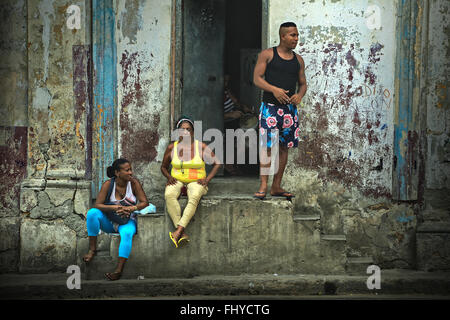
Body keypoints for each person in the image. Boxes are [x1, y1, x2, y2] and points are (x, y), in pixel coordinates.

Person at [252, 21, 307, 200]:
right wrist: (274, 89)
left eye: (297, 35)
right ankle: (263, 186)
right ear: (283, 36)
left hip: (289, 111)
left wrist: (299, 95)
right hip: (270, 109)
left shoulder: (298, 60)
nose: (296, 39)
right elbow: (257, 79)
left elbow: (303, 84)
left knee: (284, 148)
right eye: (293, 35)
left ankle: (276, 186)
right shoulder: (268, 54)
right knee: (267, 148)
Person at [83, 158, 150, 281]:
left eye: (130, 169)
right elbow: (97, 205)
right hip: (109, 222)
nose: (130, 173)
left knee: (128, 233)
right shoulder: (108, 185)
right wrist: (114, 207)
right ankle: (92, 249)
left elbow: (145, 202)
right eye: (127, 170)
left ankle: (118, 270)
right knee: (92, 213)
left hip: (126, 222)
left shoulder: (134, 183)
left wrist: (131, 208)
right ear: (117, 173)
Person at [161, 116, 221, 248]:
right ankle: (181, 232)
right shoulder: (172, 147)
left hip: (196, 181)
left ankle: (178, 231)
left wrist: (207, 179)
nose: (185, 132)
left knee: (194, 196)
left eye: (188, 129)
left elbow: (217, 163)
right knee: (169, 195)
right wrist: (168, 177)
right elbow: (163, 167)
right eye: (182, 130)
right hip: (177, 180)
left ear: (193, 132)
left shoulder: (201, 146)